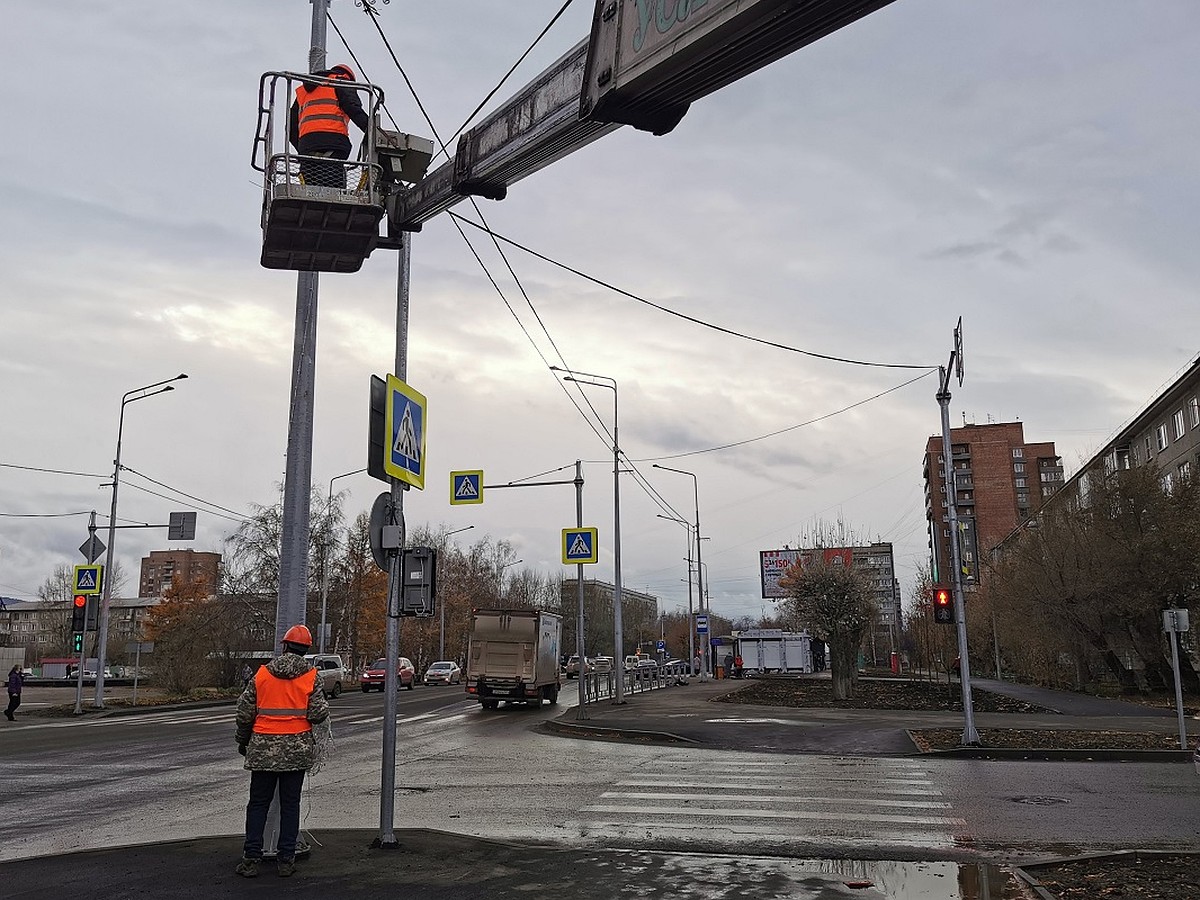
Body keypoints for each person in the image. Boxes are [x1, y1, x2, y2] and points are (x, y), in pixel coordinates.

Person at [234, 624, 329, 878]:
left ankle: (251, 859)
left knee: (257, 805)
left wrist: (243, 741)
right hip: (296, 750)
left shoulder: (262, 674)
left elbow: (244, 714)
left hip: (263, 748)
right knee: (290, 805)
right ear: (306, 650)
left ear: (284, 646)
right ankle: (286, 859)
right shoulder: (311, 676)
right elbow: (319, 713)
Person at [288, 64, 370, 188]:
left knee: (309, 193)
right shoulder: (340, 81)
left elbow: (290, 127)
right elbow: (353, 108)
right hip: (333, 143)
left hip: (307, 147)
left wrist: (302, 150)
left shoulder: (304, 91)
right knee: (334, 192)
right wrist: (372, 130)